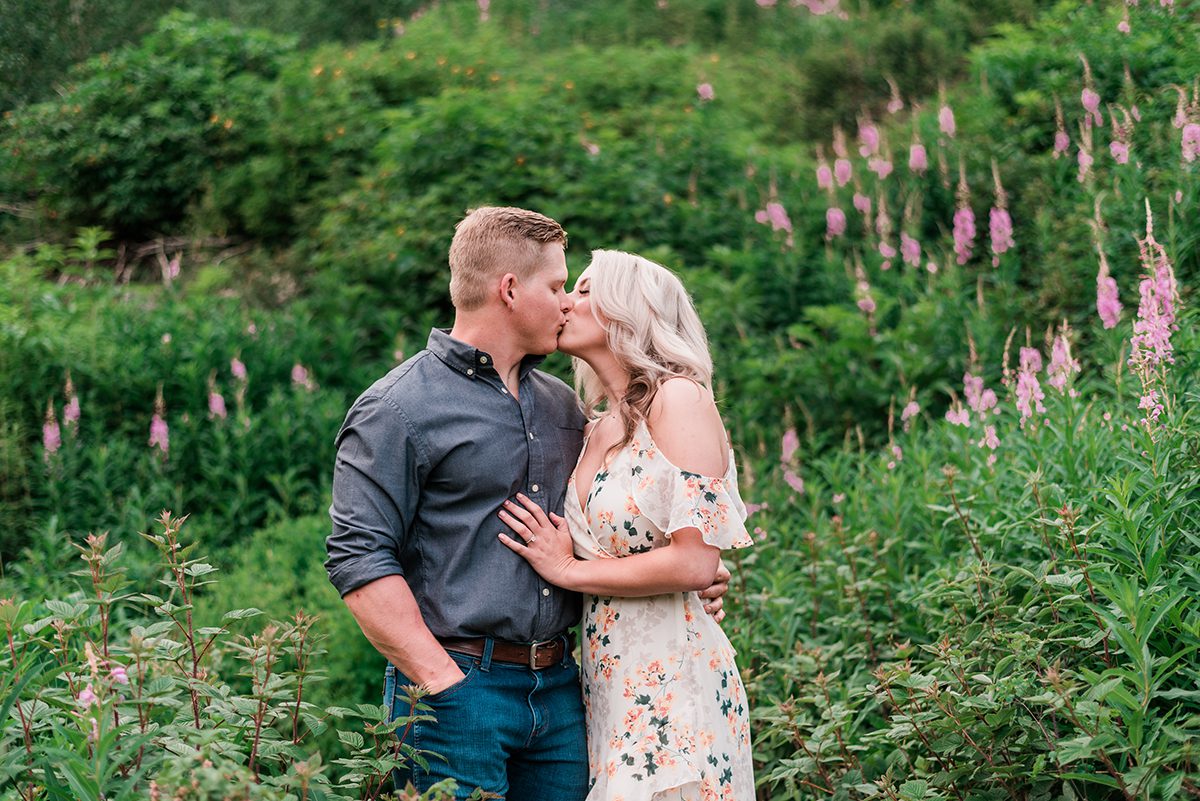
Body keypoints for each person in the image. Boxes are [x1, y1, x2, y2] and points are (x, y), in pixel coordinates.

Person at [325, 208, 730, 801]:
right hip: (460, 689)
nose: (566, 301)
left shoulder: (563, 407)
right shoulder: (398, 409)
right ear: (510, 291)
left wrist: (692, 575)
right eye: (558, 286)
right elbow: (358, 559)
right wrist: (444, 684)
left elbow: (628, 522)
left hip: (568, 691)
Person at [495, 250, 755, 801]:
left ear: (630, 311)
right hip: (606, 681)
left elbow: (693, 561)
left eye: (586, 290)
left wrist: (566, 568)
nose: (567, 301)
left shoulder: (678, 398)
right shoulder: (593, 427)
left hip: (674, 679)